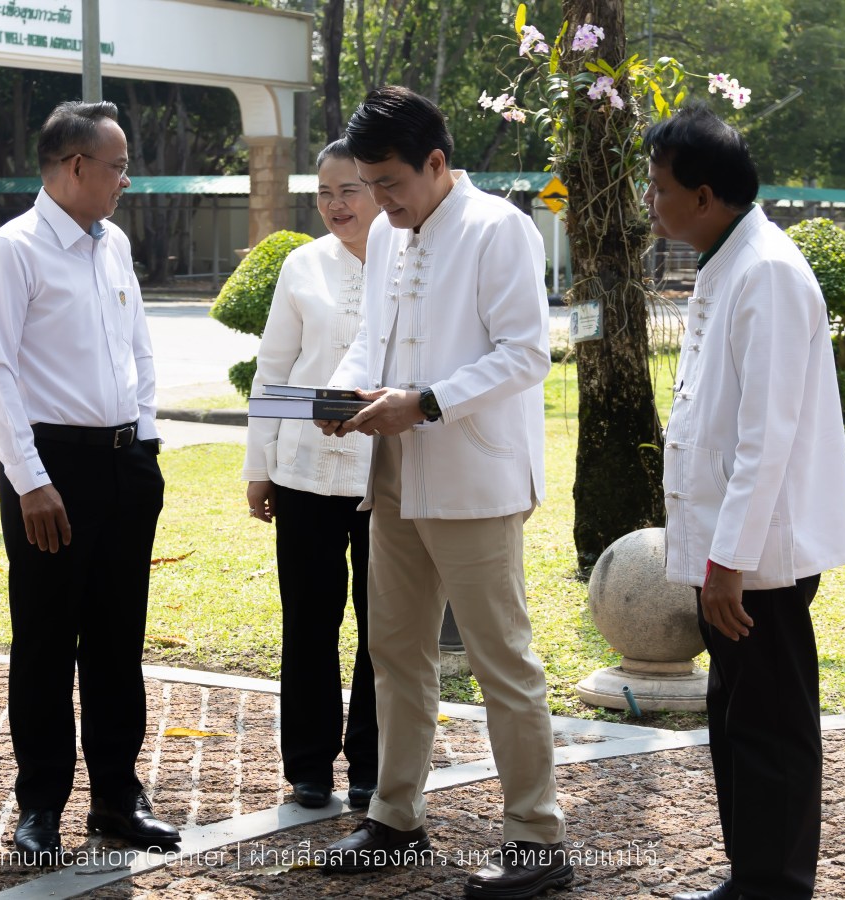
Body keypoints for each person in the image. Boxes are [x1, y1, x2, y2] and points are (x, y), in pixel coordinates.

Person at [316, 86, 571, 899]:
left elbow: (528, 353)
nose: (375, 203)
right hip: (393, 474)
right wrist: (345, 389)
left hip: (476, 476)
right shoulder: (390, 236)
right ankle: (395, 815)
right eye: (366, 184)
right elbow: (372, 338)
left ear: (436, 163)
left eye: (388, 183)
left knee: (502, 661)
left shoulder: (501, 229)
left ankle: (538, 838)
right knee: (394, 652)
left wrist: (423, 402)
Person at [645, 105, 845, 900]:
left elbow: (767, 434)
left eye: (659, 188)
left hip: (753, 554)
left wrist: (728, 560)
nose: (651, 201)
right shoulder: (731, 259)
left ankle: (774, 886)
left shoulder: (764, 269)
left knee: (769, 725)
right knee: (738, 718)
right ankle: (753, 877)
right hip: (727, 552)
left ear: (704, 196)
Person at [0, 99, 179, 865]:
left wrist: (146, 444)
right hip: (50, 470)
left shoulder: (112, 244)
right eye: (118, 165)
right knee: (48, 644)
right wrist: (30, 480)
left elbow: (140, 352)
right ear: (76, 166)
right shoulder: (13, 252)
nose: (127, 179)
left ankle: (118, 799)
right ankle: (40, 807)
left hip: (125, 463)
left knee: (119, 641)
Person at [242, 138, 379, 811]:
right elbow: (273, 375)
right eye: (324, 192)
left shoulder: (411, 265)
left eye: (349, 189)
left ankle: (373, 766)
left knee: (383, 627)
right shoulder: (302, 266)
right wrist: (258, 467)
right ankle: (308, 767)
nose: (334, 205)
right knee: (308, 625)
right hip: (302, 475)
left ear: (382, 188)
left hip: (387, 477)